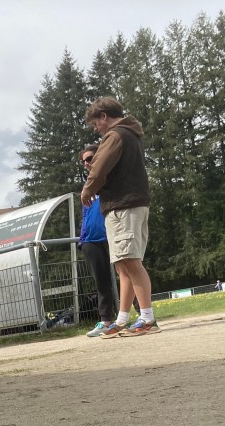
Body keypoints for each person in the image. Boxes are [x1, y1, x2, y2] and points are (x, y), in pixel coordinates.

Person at [81, 97, 160, 337]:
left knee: (131, 262)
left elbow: (99, 167)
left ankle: (147, 318)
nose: (96, 128)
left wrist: (88, 190)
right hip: (127, 204)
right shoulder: (129, 134)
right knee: (124, 265)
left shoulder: (115, 135)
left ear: (104, 116)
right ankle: (122, 319)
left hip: (124, 205)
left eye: (96, 123)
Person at [78, 145, 118, 337]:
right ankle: (106, 321)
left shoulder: (111, 177)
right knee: (102, 282)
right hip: (91, 241)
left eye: (90, 158)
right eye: (84, 161)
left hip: (112, 234)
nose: (87, 163)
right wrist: (82, 238)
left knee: (127, 273)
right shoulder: (88, 186)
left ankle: (143, 314)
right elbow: (85, 214)